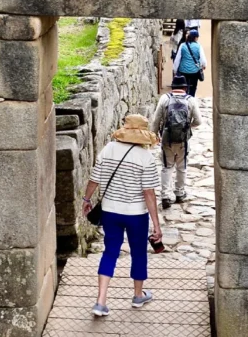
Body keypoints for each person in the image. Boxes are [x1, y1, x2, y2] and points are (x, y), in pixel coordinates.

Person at [81, 114, 163, 317]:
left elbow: (95, 178)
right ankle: (137, 295)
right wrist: (156, 224)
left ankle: (100, 302)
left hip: (110, 211)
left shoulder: (108, 149)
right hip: (136, 214)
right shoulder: (146, 157)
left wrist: (86, 199)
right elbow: (148, 193)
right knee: (138, 253)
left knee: (110, 252)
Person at [150, 75, 202, 210]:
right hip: (183, 140)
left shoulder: (165, 99)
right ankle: (179, 193)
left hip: (167, 139)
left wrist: (154, 135)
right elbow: (198, 121)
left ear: (173, 87)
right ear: (185, 88)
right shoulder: (190, 100)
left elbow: (156, 120)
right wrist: (187, 127)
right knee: (181, 167)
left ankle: (165, 196)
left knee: (167, 167)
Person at [172, 28, 207, 96]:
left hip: (183, 70)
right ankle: (191, 99)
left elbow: (177, 59)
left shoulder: (183, 45)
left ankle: (185, 100)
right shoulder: (198, 46)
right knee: (193, 87)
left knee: (184, 87)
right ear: (195, 38)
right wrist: (204, 65)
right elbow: (203, 59)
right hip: (194, 71)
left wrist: (175, 70)